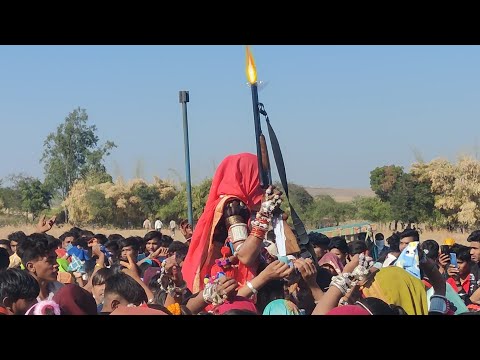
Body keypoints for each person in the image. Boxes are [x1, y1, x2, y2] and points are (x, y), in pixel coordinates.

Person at [182, 152, 282, 294]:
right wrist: (265, 214)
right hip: (227, 284)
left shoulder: (232, 203)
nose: (263, 186)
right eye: (259, 179)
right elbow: (245, 255)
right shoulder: (233, 205)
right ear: (247, 177)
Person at [16, 234, 64, 301]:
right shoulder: (21, 299)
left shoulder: (60, 290)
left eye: (55, 259)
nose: (57, 265)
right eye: (50, 261)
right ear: (31, 267)